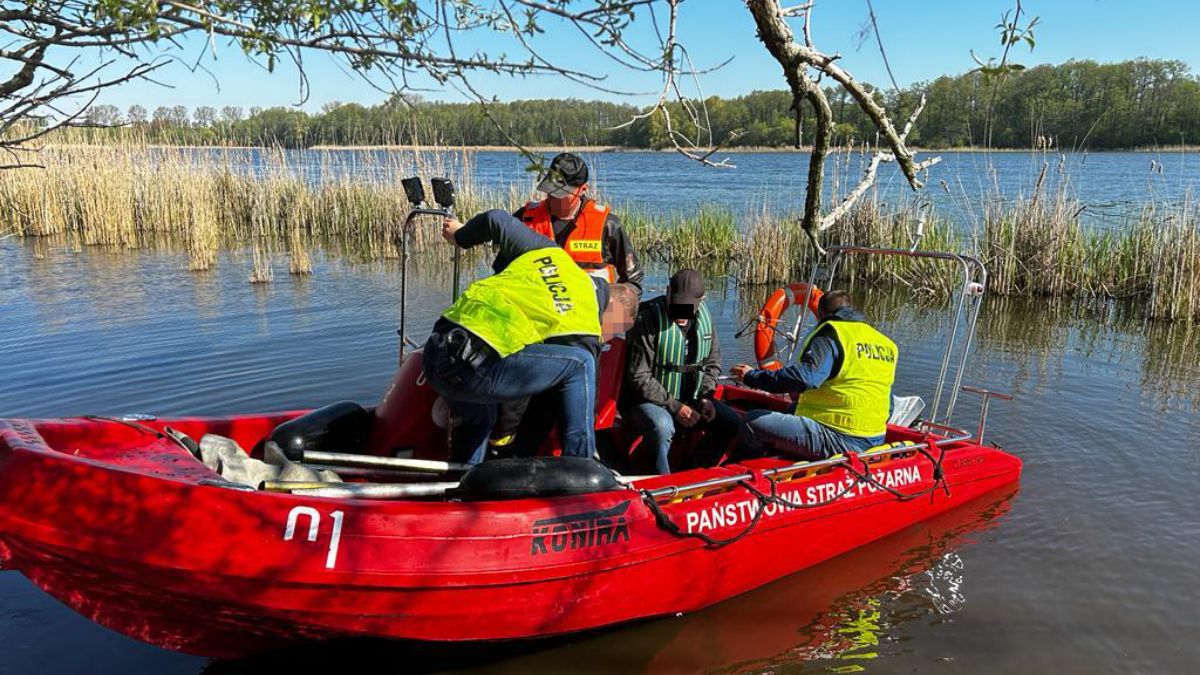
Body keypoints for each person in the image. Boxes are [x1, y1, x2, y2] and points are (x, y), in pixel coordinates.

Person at [422, 209, 638, 465]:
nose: (605, 337)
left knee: (480, 420)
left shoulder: (552, 254)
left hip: (436, 349)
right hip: (473, 367)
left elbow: (495, 219)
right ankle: (582, 469)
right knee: (582, 363)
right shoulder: (586, 320)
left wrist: (461, 236)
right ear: (613, 310)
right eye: (613, 330)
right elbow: (583, 397)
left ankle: (462, 485)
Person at [730, 290, 897, 461]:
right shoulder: (884, 343)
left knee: (752, 422)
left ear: (821, 313)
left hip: (839, 439)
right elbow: (888, 404)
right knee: (790, 410)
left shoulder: (832, 332)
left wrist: (752, 376)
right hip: (875, 439)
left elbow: (806, 378)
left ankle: (736, 474)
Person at [621, 269, 739, 474]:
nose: (681, 314)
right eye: (677, 306)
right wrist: (674, 406)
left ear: (701, 301)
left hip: (691, 399)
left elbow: (713, 364)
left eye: (688, 308)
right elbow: (638, 377)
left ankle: (694, 470)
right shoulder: (647, 319)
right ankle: (660, 483)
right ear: (667, 292)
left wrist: (706, 397)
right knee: (662, 425)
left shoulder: (705, 320)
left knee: (730, 422)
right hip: (648, 402)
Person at [515, 152, 644, 291]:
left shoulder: (607, 225)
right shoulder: (524, 218)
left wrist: (617, 307)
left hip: (590, 310)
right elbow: (502, 272)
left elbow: (633, 279)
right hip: (535, 308)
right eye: (550, 190)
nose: (553, 197)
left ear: (582, 189)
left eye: (561, 194)